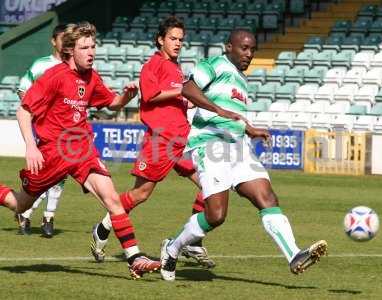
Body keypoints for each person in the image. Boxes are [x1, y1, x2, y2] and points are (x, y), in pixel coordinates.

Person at [160, 29, 328, 281]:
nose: (249, 54)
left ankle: (294, 254)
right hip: (210, 145)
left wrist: (249, 129)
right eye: (244, 48)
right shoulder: (214, 64)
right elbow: (188, 89)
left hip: (238, 146)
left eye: (252, 49)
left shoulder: (241, 79)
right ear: (229, 47)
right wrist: (218, 110)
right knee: (216, 216)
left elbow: (233, 114)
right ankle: (172, 248)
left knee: (267, 197)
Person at [0, 21, 160, 279]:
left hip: (82, 150)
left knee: (112, 199)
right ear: (70, 50)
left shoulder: (92, 77)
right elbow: (23, 110)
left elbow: (112, 105)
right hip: (52, 154)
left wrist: (125, 98)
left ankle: (134, 257)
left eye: (93, 46)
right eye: (84, 47)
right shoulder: (54, 76)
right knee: (19, 204)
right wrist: (31, 146)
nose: (91, 52)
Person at [90, 16, 236, 268]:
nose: (178, 43)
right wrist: (182, 91)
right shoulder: (153, 66)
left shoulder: (177, 69)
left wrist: (192, 101)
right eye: (172, 39)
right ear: (160, 40)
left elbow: (175, 99)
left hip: (183, 141)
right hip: (161, 142)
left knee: (209, 186)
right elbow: (150, 95)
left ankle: (193, 242)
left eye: (181, 39)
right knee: (140, 194)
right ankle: (103, 228)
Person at [15, 24, 67, 237]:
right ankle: (26, 212)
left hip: (66, 131)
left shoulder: (74, 67)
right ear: (53, 41)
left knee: (60, 175)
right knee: (44, 174)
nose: (67, 42)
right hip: (45, 129)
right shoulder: (41, 65)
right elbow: (23, 88)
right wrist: (37, 112)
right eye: (63, 38)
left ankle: (48, 217)